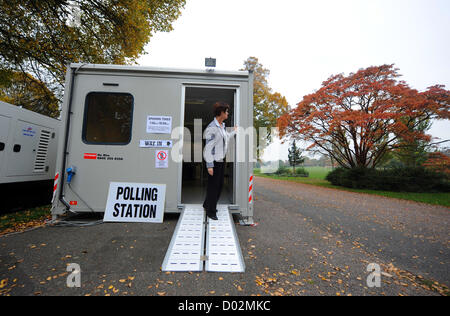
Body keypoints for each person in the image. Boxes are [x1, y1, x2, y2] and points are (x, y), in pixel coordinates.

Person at [203, 101, 237, 220]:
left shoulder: (222, 126)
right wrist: (210, 165)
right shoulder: (212, 127)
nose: (228, 113)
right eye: (226, 111)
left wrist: (234, 131)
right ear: (221, 112)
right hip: (214, 162)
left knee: (219, 185)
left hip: (221, 160)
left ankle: (207, 204)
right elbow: (208, 147)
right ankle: (210, 211)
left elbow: (226, 137)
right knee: (214, 186)